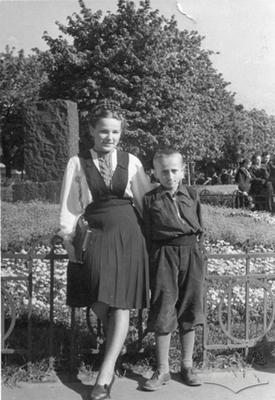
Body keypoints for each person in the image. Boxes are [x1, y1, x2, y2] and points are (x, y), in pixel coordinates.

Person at [59, 99, 151, 400]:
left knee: (121, 302)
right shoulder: (77, 162)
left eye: (114, 132)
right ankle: (118, 339)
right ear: (91, 131)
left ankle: (104, 375)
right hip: (96, 233)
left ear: (121, 132)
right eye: (103, 132)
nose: (109, 138)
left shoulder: (132, 161)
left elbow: (144, 203)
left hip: (128, 234)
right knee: (98, 296)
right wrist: (68, 240)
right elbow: (71, 207)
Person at [142, 147, 205, 391]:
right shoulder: (150, 199)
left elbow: (200, 225)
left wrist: (197, 254)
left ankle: (187, 365)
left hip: (190, 254)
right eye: (163, 171)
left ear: (182, 171)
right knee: (164, 308)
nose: (169, 175)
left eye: (174, 170)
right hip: (164, 256)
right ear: (155, 173)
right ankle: (163, 369)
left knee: (189, 307)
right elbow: (147, 232)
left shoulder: (191, 194)